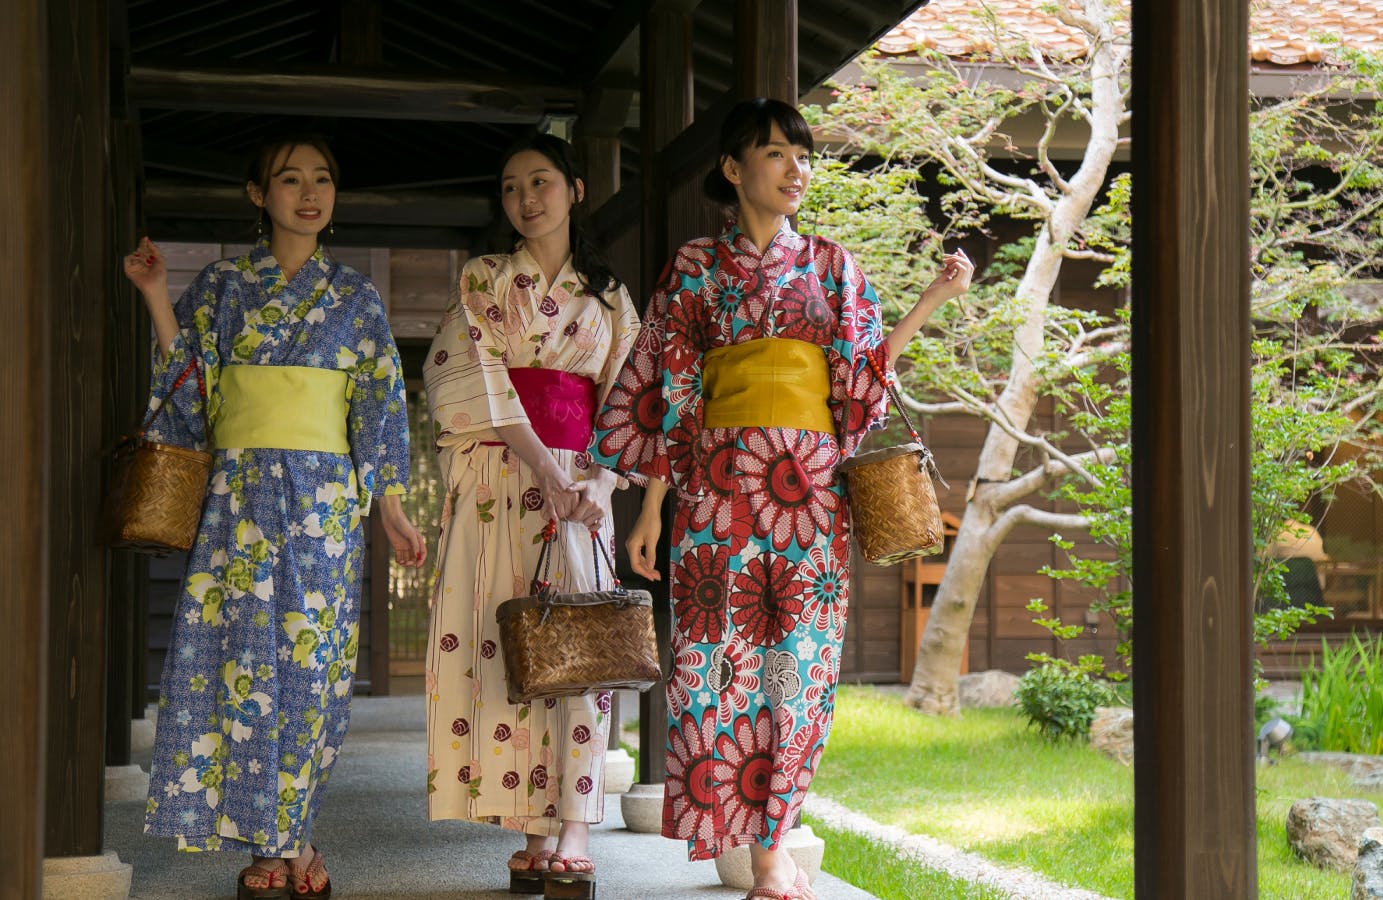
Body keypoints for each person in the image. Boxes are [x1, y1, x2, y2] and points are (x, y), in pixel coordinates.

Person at [591, 97, 973, 899]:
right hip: (717, 489)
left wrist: (932, 302)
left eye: (804, 156)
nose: (796, 169)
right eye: (776, 154)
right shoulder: (695, 268)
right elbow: (672, 398)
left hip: (809, 494)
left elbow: (863, 376)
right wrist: (654, 510)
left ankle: (772, 850)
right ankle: (739, 836)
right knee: (714, 665)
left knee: (798, 666)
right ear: (733, 170)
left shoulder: (833, 265)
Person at [124, 134, 427, 900]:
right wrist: (159, 295)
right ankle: (276, 842)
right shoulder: (226, 286)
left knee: (313, 669)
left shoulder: (354, 298)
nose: (309, 192)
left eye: (322, 178)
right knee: (240, 666)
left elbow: (379, 408)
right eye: (289, 179)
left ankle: (292, 835)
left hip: (324, 502)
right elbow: (189, 385)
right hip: (238, 496)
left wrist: (388, 504)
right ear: (258, 195)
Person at [421, 133, 639, 899]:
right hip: (500, 474)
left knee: (582, 648)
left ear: (576, 189)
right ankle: (530, 824)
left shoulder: (608, 292)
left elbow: (630, 395)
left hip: (581, 483)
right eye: (512, 188)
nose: (526, 199)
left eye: (541, 182)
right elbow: (471, 375)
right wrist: (547, 469)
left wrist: (605, 484)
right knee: (508, 642)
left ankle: (574, 826)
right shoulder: (485, 276)